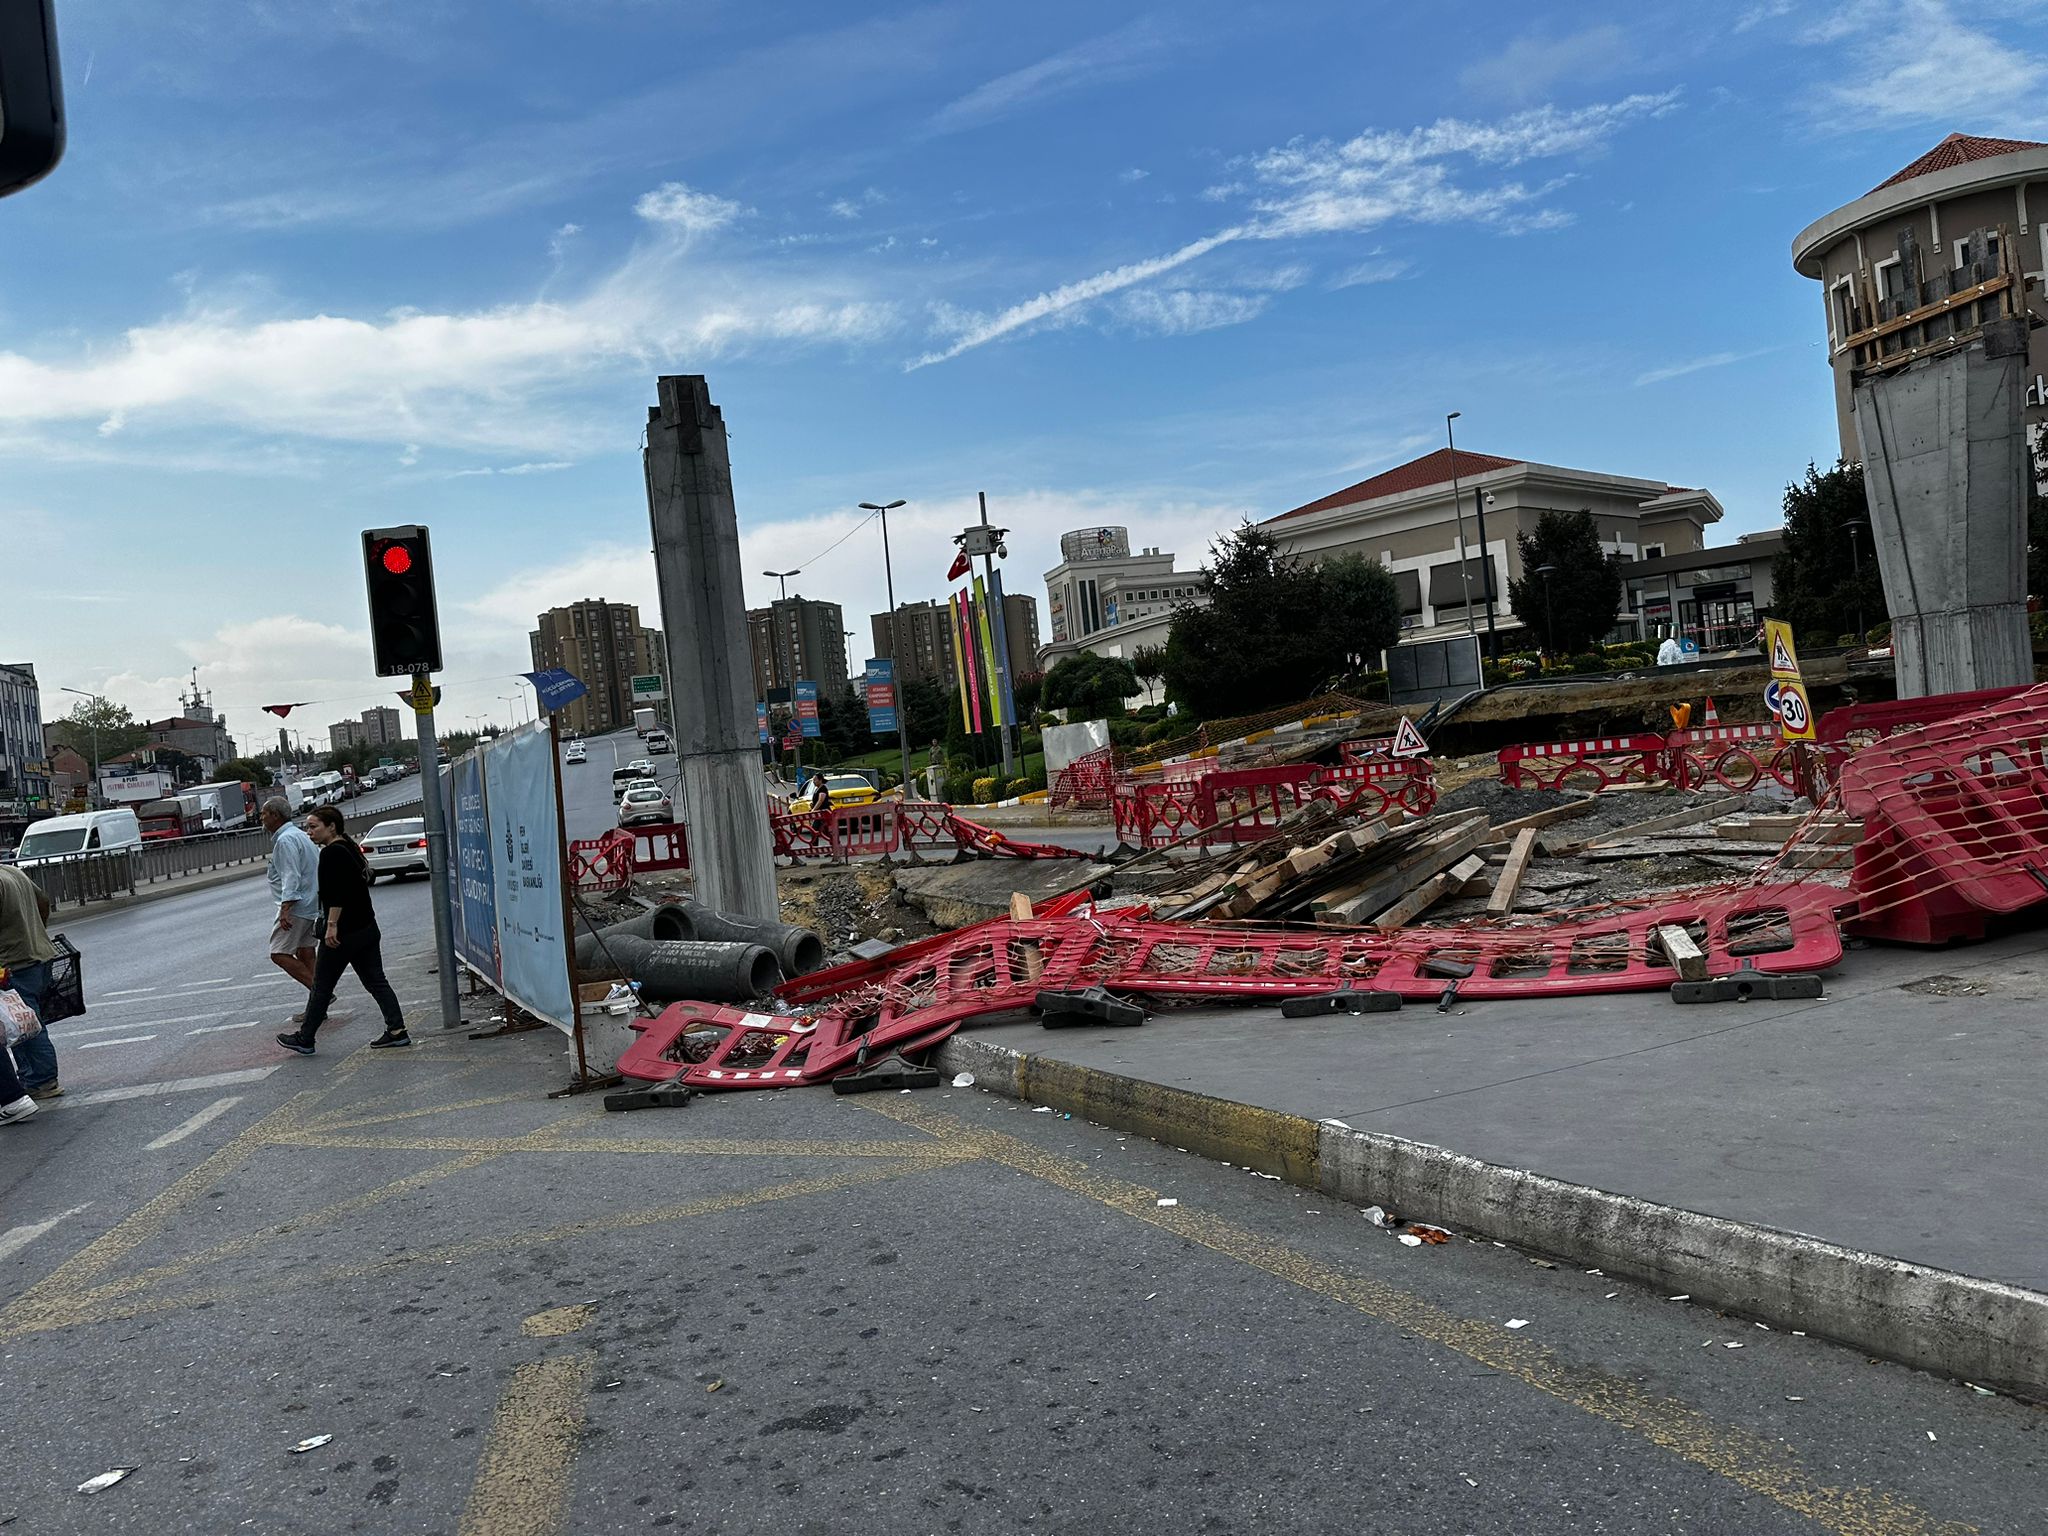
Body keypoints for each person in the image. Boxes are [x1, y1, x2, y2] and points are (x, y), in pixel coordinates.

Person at [275, 805, 410, 1056]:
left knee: (322, 986)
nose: (309, 832)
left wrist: (332, 926)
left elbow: (337, 894)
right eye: (307, 827)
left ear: (331, 827)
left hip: (343, 933)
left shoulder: (331, 853)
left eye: (314, 826)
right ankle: (397, 1031)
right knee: (376, 982)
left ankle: (305, 1038)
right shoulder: (349, 848)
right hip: (366, 928)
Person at [0, 862, 62, 1101]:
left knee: (24, 1024)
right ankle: (34, 1076)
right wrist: (39, 932)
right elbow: (43, 901)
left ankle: (42, 1080)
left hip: (13, 963)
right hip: (39, 955)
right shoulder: (11, 871)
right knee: (25, 1019)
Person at [261, 796, 321, 1025]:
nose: (262, 818)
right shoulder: (299, 835)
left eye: (264, 814)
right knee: (305, 952)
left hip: (297, 906)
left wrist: (286, 909)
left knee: (279, 953)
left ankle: (320, 994)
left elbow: (291, 876)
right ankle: (317, 1006)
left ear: (275, 816)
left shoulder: (285, 840)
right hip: (310, 904)